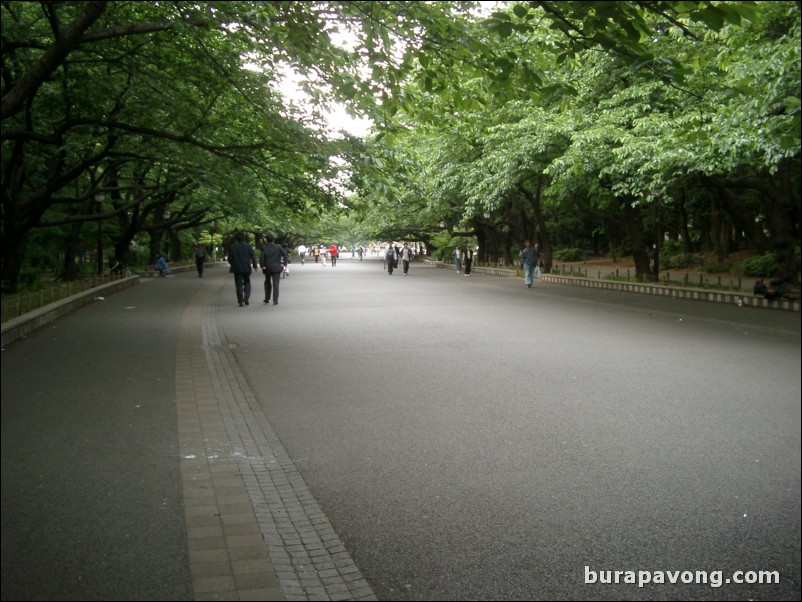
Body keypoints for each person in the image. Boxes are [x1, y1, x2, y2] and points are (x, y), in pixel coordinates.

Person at [227, 232, 257, 306]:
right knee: (247, 282)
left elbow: (229, 259)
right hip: (246, 267)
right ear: (244, 238)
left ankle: (241, 301)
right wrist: (255, 266)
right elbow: (253, 257)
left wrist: (233, 264)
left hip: (237, 268)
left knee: (238, 284)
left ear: (236, 239)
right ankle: (246, 297)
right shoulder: (248, 246)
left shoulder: (232, 247)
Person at [260, 235, 289, 305]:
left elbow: (262, 257)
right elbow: (285, 254)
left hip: (267, 267)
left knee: (267, 282)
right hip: (277, 267)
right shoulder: (278, 247)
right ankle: (275, 300)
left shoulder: (264, 247)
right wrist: (284, 263)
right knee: (276, 283)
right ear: (273, 240)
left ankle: (267, 298)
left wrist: (262, 266)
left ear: (267, 240)